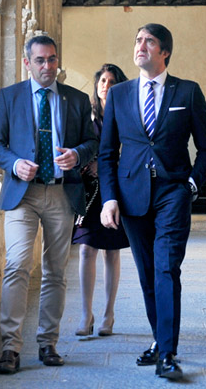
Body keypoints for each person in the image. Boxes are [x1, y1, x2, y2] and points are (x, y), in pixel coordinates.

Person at [98, 23, 206, 381]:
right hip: (132, 197)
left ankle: (167, 352)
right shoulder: (119, 95)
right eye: (137, 40)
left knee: (166, 269)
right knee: (148, 274)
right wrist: (109, 199)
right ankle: (158, 338)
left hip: (172, 193)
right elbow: (107, 154)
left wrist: (191, 186)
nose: (141, 46)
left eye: (149, 41)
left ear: (165, 51)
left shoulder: (188, 92)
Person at [0, 35, 99, 375]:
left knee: (55, 271)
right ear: (27, 63)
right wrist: (13, 164)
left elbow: (93, 141)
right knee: (17, 265)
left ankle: (48, 343)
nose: (48, 66)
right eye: (40, 61)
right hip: (23, 194)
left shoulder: (77, 100)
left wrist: (77, 154)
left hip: (63, 194)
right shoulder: (10, 97)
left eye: (52, 60)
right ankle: (10, 347)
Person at [72, 64, 130, 338]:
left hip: (116, 191)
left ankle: (108, 313)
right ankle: (86, 313)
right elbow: (77, 146)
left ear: (119, 85)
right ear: (96, 86)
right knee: (85, 249)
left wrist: (108, 168)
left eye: (111, 80)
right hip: (89, 193)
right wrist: (88, 163)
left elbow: (132, 151)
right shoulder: (87, 116)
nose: (106, 84)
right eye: (102, 80)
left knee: (111, 251)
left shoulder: (127, 115)